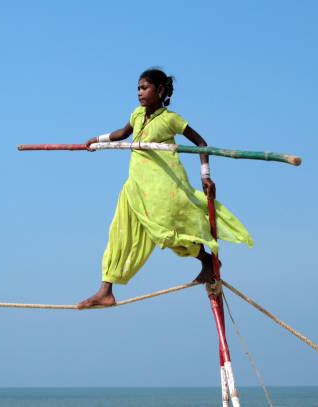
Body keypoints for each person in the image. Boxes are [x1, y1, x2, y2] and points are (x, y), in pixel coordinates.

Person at [77, 68, 253, 309]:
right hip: (135, 187)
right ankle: (105, 291)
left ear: (159, 91)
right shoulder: (138, 115)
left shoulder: (171, 119)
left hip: (161, 189)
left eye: (144, 88)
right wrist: (98, 140)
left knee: (167, 234)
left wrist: (205, 176)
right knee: (119, 234)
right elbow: (122, 133)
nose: (139, 93)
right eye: (138, 88)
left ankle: (208, 262)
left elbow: (201, 144)